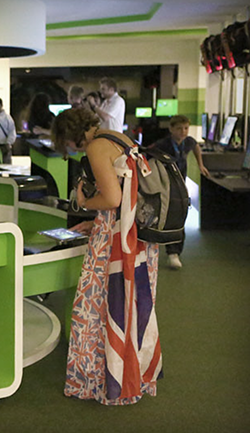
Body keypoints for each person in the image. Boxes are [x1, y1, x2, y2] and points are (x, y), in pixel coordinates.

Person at [52, 107, 162, 406]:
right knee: (129, 306)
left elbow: (112, 198)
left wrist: (86, 202)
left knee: (96, 306)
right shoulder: (117, 137)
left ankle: (99, 379)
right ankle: (127, 373)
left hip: (116, 242)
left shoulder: (96, 147)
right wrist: (98, 219)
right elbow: (126, 193)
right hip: (136, 236)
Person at [150, 114, 210, 270]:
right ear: (171, 129)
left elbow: (196, 146)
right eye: (179, 128)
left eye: (186, 128)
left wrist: (200, 164)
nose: (183, 131)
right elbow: (147, 155)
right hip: (164, 185)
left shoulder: (188, 142)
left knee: (179, 216)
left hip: (180, 185)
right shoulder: (163, 144)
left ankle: (173, 252)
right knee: (163, 216)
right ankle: (158, 247)